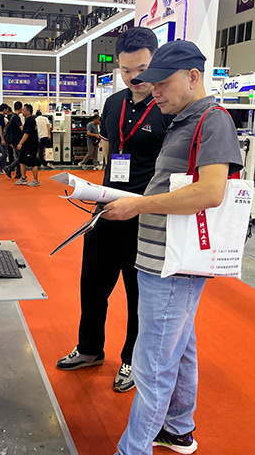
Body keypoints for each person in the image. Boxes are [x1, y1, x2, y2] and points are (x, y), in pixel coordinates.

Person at [103, 40, 244, 455]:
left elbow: (212, 192)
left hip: (172, 263)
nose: (154, 91)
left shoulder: (213, 121)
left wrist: (137, 206)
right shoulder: (182, 120)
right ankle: (178, 429)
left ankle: (133, 449)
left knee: (152, 366)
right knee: (179, 349)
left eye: (162, 83)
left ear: (193, 77)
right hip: (163, 257)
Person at [56, 27, 173, 393]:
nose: (134, 77)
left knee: (139, 296)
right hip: (105, 210)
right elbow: (111, 153)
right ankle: (89, 349)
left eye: (141, 69)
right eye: (125, 70)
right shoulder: (113, 103)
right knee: (92, 286)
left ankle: (132, 361)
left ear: (155, 61)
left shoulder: (167, 107)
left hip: (145, 216)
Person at [15, 104, 40, 187]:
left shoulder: (31, 121)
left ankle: (36, 180)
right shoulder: (27, 120)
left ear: (28, 111)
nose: (22, 111)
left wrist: (20, 143)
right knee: (21, 161)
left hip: (31, 145)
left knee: (32, 162)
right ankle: (23, 178)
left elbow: (27, 134)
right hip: (26, 145)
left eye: (23, 109)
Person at [4, 101, 25, 179]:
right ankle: (9, 167)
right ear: (21, 108)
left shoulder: (12, 117)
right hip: (17, 140)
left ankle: (18, 173)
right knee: (21, 157)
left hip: (13, 140)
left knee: (19, 156)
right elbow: (21, 128)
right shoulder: (16, 117)